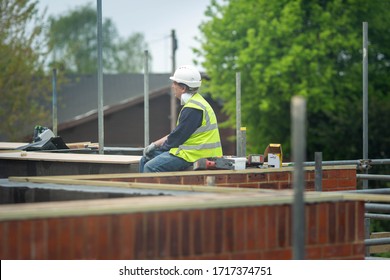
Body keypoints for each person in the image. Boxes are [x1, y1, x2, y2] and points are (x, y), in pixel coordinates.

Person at [139, 65, 223, 173]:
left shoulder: (193, 109)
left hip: (196, 154)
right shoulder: (196, 103)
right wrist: (155, 144)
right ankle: (142, 190)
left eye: (175, 83)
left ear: (183, 88)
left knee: (150, 167)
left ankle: (155, 190)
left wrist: (160, 148)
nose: (173, 86)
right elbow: (177, 133)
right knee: (145, 159)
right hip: (192, 152)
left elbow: (177, 138)